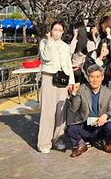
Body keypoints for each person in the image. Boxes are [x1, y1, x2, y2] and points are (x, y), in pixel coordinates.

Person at [37, 21, 75, 154]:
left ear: (63, 32)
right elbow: (47, 57)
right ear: (51, 30)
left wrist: (71, 81)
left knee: (61, 110)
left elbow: (68, 64)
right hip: (49, 77)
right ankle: (44, 142)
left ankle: (58, 138)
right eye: (55, 29)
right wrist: (49, 40)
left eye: (60, 30)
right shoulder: (44, 42)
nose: (57, 32)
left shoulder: (65, 46)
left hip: (63, 79)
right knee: (48, 111)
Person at [66, 65, 111, 157]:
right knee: (71, 128)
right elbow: (73, 109)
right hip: (85, 126)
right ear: (87, 77)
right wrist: (73, 93)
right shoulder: (81, 89)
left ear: (102, 77)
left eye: (98, 77)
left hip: (100, 126)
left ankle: (106, 143)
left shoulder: (108, 92)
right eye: (92, 77)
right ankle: (81, 145)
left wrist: (106, 115)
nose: (95, 80)